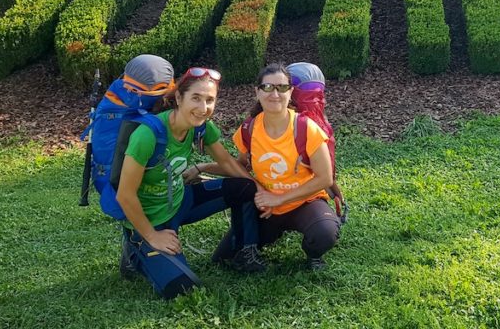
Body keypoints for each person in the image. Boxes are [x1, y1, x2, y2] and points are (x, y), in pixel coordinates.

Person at [117, 66, 266, 300]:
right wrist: (152, 235)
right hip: (151, 220)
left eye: (209, 100)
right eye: (195, 98)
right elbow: (125, 195)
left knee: (245, 186)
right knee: (182, 288)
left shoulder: (202, 128)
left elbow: (227, 163)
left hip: (181, 201)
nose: (203, 108)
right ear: (178, 97)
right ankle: (134, 250)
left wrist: (259, 190)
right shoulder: (148, 135)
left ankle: (242, 252)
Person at [205, 63, 341, 270]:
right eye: (268, 87)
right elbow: (239, 167)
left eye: (282, 87)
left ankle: (313, 254)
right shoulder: (249, 128)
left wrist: (279, 198)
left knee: (324, 234)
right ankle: (267, 235)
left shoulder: (306, 128)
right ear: (257, 92)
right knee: (224, 257)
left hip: (304, 202)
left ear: (291, 91)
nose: (275, 94)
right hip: (267, 208)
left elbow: (324, 178)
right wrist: (201, 167)